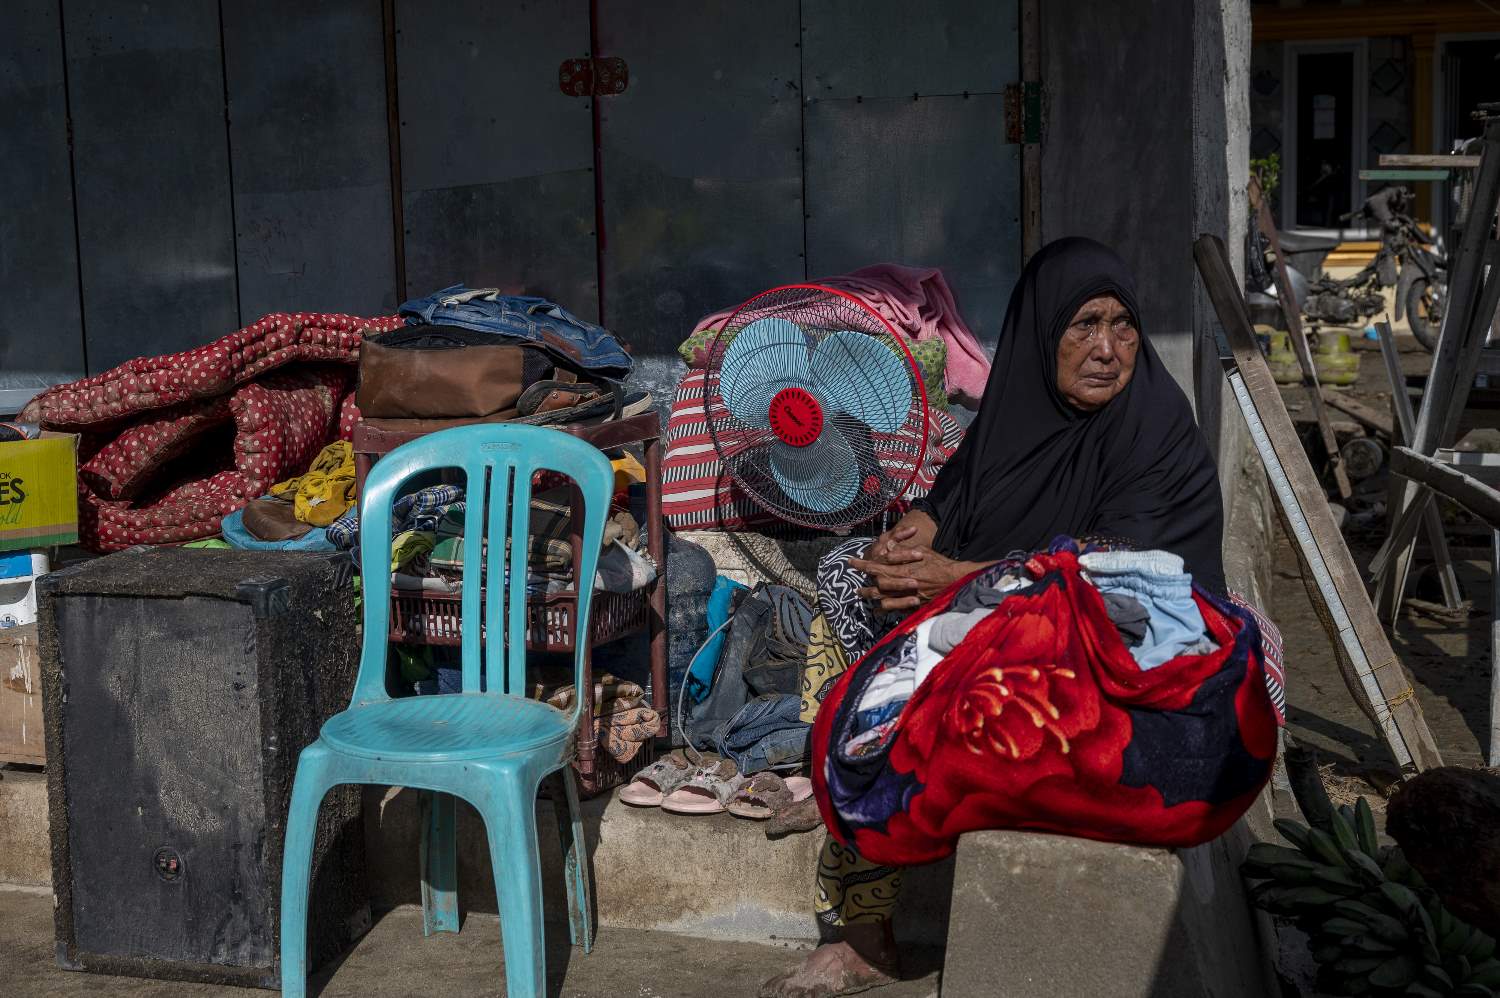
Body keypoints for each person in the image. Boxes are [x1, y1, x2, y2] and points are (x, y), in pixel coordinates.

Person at [763, 237, 1226, 998]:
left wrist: (954, 582)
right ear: (1039, 333)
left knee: (923, 657)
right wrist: (919, 534)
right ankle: (864, 917)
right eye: (1083, 326)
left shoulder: (1154, 425)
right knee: (850, 579)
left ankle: (866, 814)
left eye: (1122, 325)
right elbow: (959, 491)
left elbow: (1113, 575)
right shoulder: (1019, 407)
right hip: (1006, 608)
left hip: (1123, 652)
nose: (1108, 349)